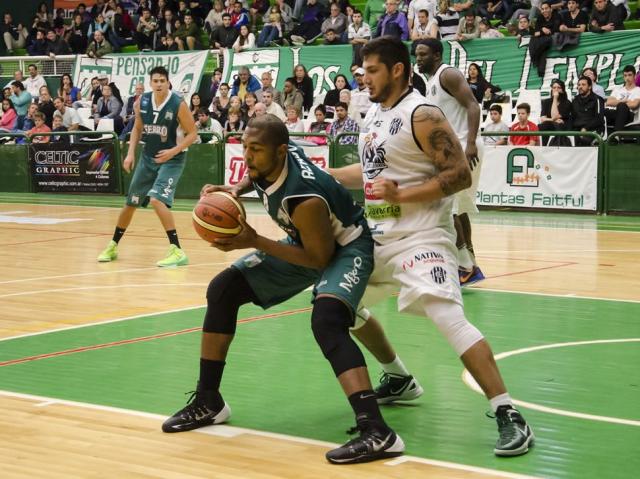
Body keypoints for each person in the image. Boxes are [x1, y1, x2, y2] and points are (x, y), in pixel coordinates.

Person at [329, 36, 534, 458]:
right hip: (379, 238)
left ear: (398, 69)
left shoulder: (422, 114)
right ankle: (399, 378)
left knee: (448, 318)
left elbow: (458, 174)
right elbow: (369, 173)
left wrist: (400, 195)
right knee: (336, 305)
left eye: (372, 70)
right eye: (362, 70)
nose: (363, 78)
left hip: (422, 238)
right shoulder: (371, 115)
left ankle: (508, 412)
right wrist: (326, 174)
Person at [163, 114, 405, 465]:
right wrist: (234, 189)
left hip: (346, 247)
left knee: (327, 320)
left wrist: (253, 240)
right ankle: (208, 401)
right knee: (223, 289)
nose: (248, 156)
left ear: (280, 151)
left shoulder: (302, 196)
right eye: (245, 147)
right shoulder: (274, 158)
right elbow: (258, 177)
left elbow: (319, 258)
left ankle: (377, 431)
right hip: (305, 240)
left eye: (256, 150)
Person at [97, 66, 198, 267]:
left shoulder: (178, 104)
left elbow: (193, 134)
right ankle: (113, 245)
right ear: (150, 83)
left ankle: (177, 250)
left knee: (156, 200)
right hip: (148, 158)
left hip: (172, 160)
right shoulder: (141, 102)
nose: (159, 84)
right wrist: (130, 154)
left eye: (163, 80)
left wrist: (173, 151)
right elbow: (137, 128)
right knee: (131, 203)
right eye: (156, 81)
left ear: (168, 82)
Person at [416, 38, 484, 286]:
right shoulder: (431, 82)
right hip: (454, 150)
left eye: (422, 54)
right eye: (416, 54)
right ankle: (470, 264)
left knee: (447, 207)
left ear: (436, 54)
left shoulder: (449, 75)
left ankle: (464, 266)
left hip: (464, 148)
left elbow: (473, 106)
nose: (418, 58)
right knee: (459, 208)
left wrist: (471, 143)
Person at [605, 65, 640, 133]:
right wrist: (624, 101)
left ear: (635, 76)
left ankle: (616, 134)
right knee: (602, 110)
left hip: (629, 115)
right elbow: (609, 102)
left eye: (630, 75)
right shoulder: (617, 90)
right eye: (625, 75)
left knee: (622, 106)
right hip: (614, 114)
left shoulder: (638, 90)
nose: (627, 78)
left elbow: (634, 104)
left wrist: (617, 102)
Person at [572, 75, 605, 145]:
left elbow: (599, 118)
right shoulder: (575, 100)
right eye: (579, 85)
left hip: (594, 129)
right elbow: (572, 117)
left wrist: (585, 128)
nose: (580, 87)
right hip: (577, 129)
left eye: (583, 85)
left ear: (589, 87)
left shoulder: (597, 99)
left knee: (583, 140)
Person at [529, 2, 559, 77]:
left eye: (546, 8)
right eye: (542, 9)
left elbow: (554, 30)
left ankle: (534, 58)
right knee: (535, 40)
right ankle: (541, 71)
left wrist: (542, 31)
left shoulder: (557, 16)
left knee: (545, 40)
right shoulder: (540, 17)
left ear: (551, 9)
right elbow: (535, 33)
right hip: (542, 39)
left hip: (554, 38)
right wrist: (543, 30)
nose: (544, 11)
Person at [538, 79, 573, 145]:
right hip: (549, 125)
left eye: (559, 87)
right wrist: (552, 120)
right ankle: (544, 147)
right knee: (542, 126)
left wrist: (555, 98)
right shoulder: (546, 102)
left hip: (563, 126)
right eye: (554, 88)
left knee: (557, 125)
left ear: (562, 90)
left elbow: (554, 116)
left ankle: (558, 146)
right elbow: (542, 119)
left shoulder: (567, 103)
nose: (556, 89)